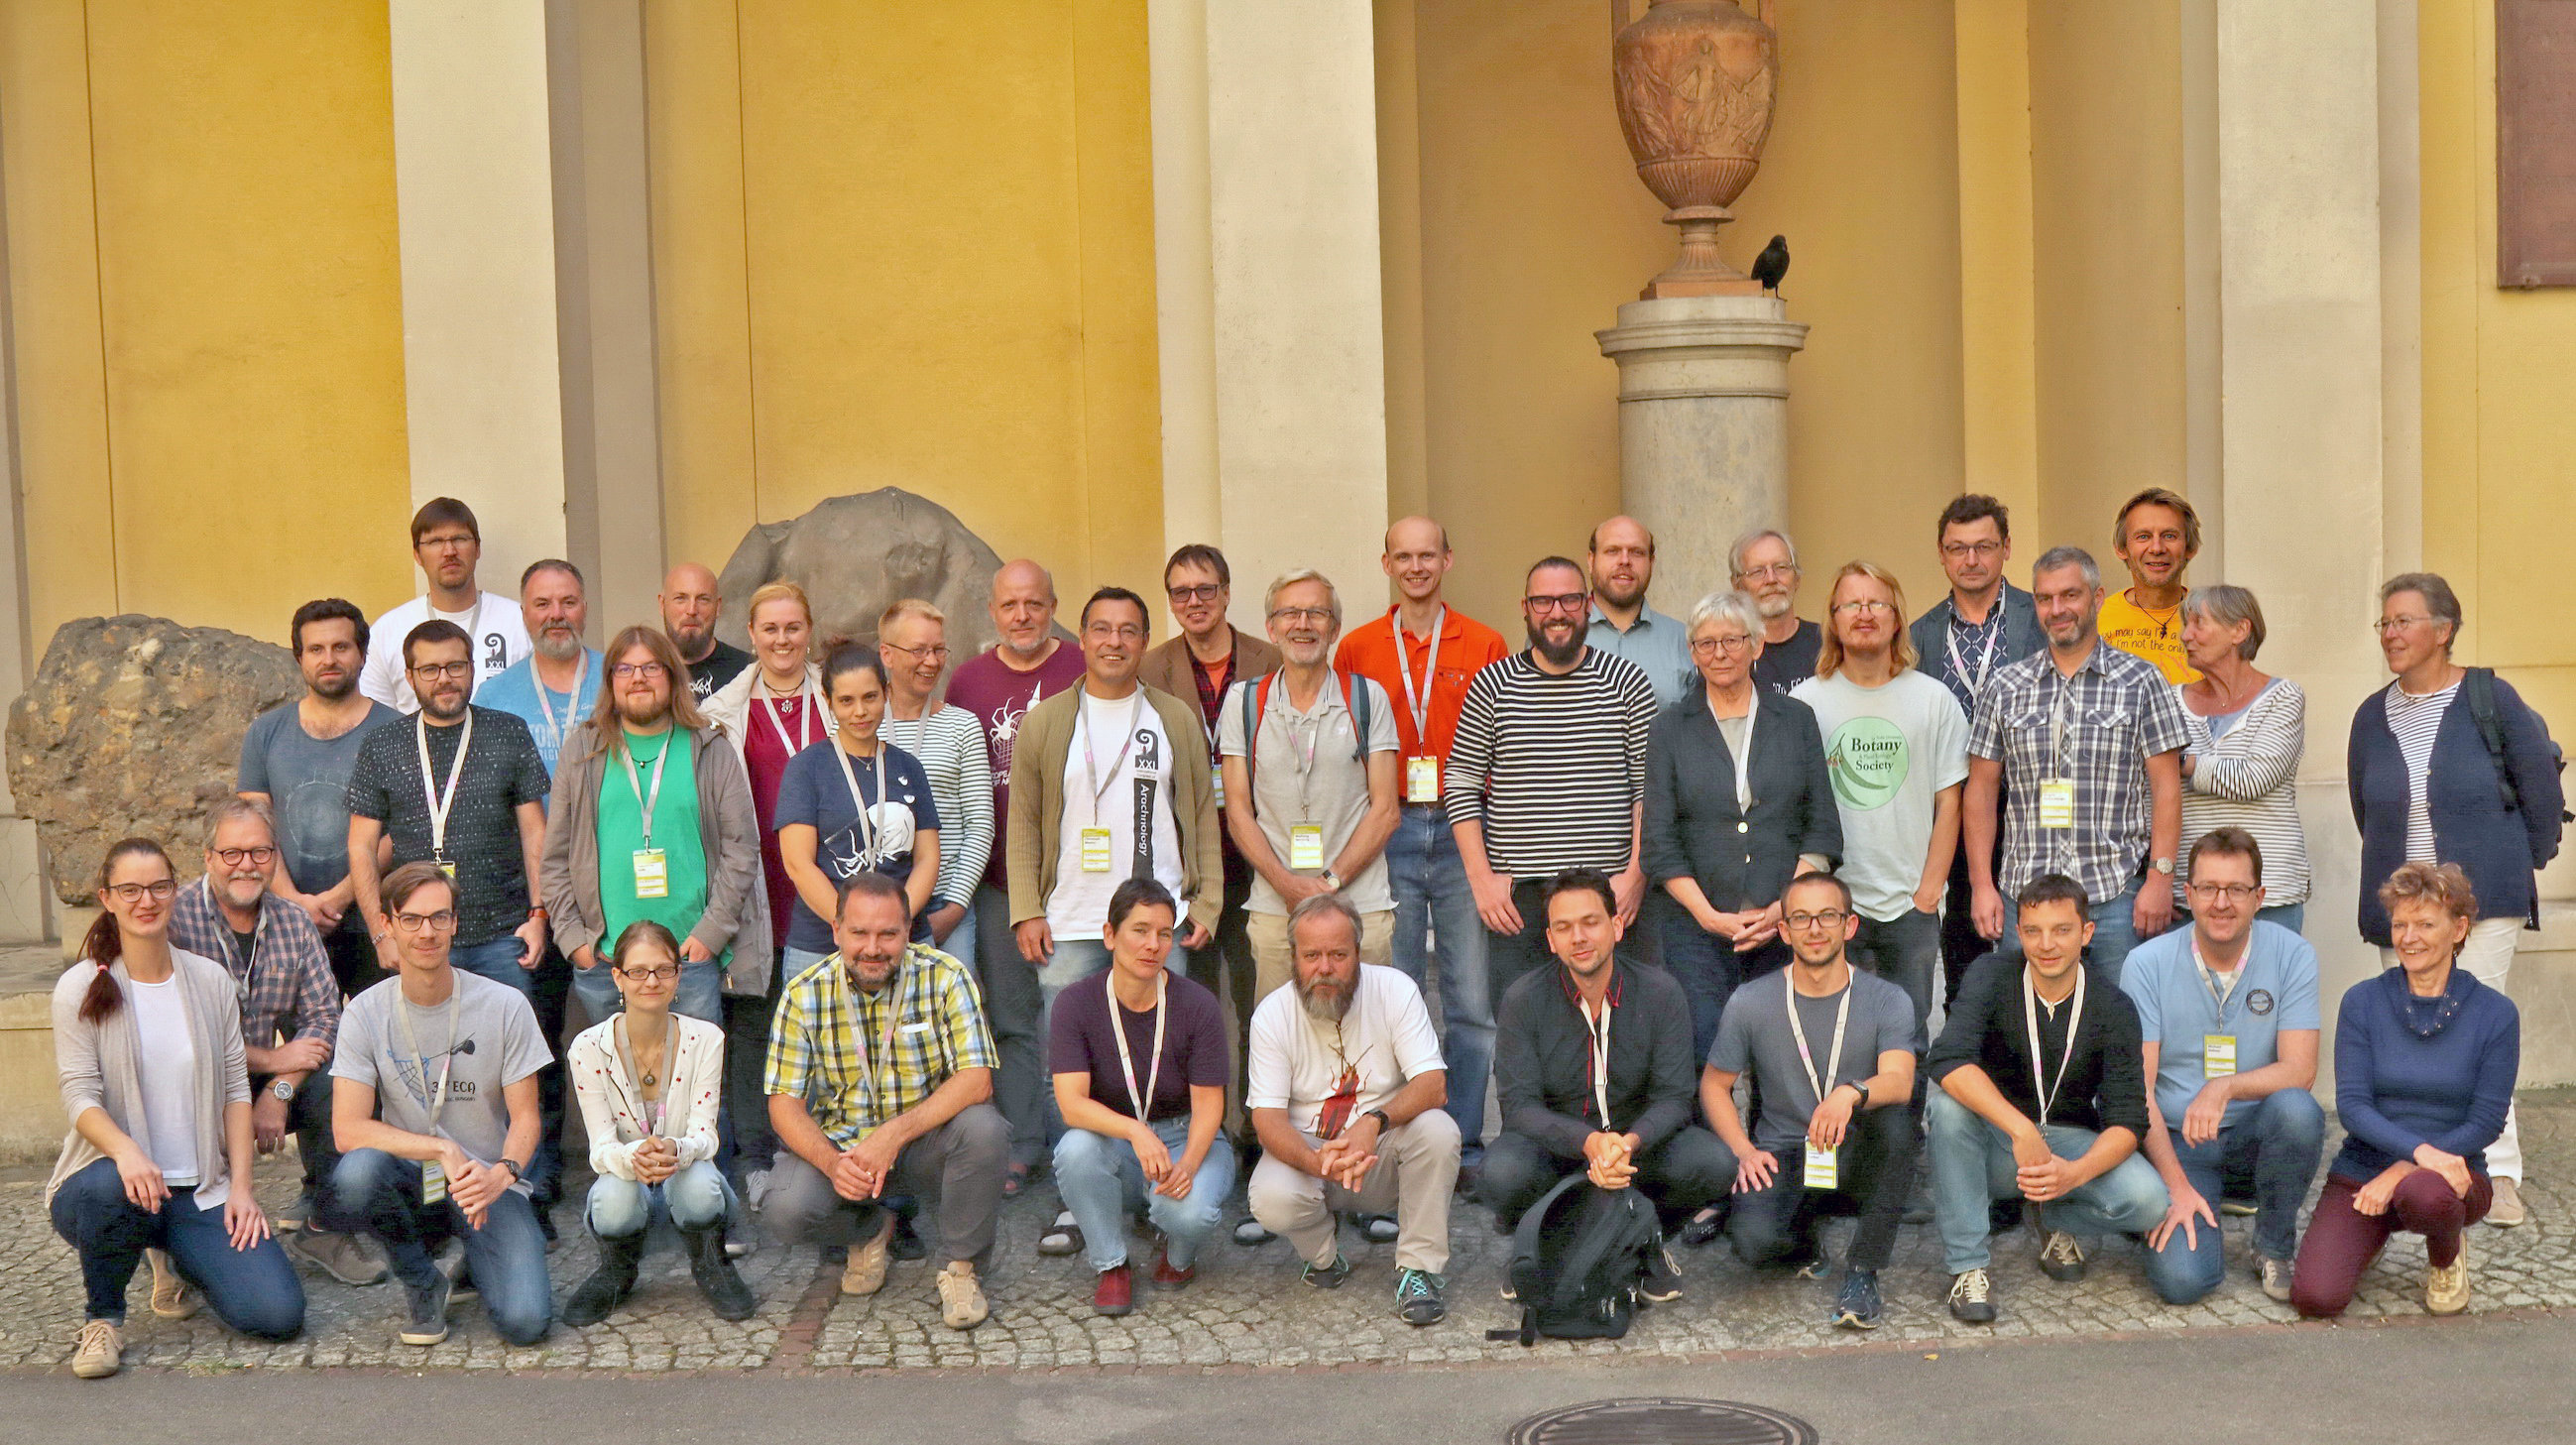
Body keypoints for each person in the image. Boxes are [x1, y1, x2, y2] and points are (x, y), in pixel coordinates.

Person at [2348, 571, 2560, 1229]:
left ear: (2443, 629)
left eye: (2404, 620)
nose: (2391, 633)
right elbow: (2366, 807)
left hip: (2482, 899)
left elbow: (2541, 795)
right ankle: (2421, 1162)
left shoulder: (2489, 696)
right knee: (2407, 1034)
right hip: (2403, 904)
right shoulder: (2370, 713)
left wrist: (2516, 863)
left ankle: (2497, 1173)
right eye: (2384, 622)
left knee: (2477, 1026)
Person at [49, 839, 304, 1380]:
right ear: (107, 898)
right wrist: (127, 1153)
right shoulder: (81, 986)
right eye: (130, 889)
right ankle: (103, 1318)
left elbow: (237, 1089)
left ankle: (176, 1252)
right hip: (109, 1187)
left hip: (195, 1189)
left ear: (175, 891)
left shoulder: (208, 981)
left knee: (277, 1314)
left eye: (159, 886)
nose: (147, 900)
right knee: (110, 1189)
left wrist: (241, 1189)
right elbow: (79, 1096)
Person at [1334, 516, 1510, 1161]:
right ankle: (1401, 1130)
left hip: (1467, 826)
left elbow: (1502, 741)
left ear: (1447, 560)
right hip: (1391, 825)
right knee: (1396, 988)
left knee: (1469, 996)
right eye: (1403, 556)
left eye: (1427, 555)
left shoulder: (1485, 642)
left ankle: (1461, 1134)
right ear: (1386, 564)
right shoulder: (1356, 648)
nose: (1416, 567)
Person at [321, 862, 553, 1348]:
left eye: (439, 918)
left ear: (454, 923)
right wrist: (441, 1150)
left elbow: (528, 1118)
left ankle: (476, 1258)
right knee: (356, 1175)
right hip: (411, 1180)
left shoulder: (506, 1004)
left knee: (526, 1324)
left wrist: (502, 1173)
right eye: (411, 919)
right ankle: (421, 1278)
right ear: (387, 924)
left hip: (486, 1183)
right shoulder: (365, 1012)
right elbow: (347, 1129)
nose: (426, 932)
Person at [762, 873, 1006, 1331]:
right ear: (836, 931)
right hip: (845, 1149)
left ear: (908, 931)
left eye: (888, 934)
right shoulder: (803, 993)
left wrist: (892, 1136)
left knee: (985, 1129)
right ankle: (870, 1231)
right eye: (859, 933)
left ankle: (961, 1268)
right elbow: (783, 1104)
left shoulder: (946, 977)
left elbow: (977, 1080)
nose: (872, 948)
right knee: (785, 1207)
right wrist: (833, 1164)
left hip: (924, 1143)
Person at [1925, 874, 2167, 1324]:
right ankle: (1968, 1266)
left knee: (2150, 1201)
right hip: (2001, 1143)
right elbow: (1948, 1058)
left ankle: (2055, 1214)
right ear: (2020, 932)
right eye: (2034, 931)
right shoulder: (1991, 974)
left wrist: (2073, 1175)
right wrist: (2018, 1128)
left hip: (2069, 1141)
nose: (2047, 944)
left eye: (2062, 930)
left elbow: (2128, 1119)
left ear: (2086, 933)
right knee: (1947, 1106)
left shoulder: (2113, 1006)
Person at [167, 800, 383, 1286]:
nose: (247, 864)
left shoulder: (292, 921)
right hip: (200, 1073)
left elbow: (326, 1017)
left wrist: (278, 1088)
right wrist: (271, 1057)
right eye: (232, 853)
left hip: (268, 1075)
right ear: (207, 856)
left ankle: (324, 1227)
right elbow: (175, 1031)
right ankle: (172, 1238)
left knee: (344, 1081)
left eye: (260, 852)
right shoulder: (175, 920)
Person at [2291, 863, 2518, 1319]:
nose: (2409, 937)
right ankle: (2369, 1236)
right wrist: (2410, 1158)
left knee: (2423, 1194)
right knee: (2316, 1298)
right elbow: (2353, 1107)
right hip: (2364, 1168)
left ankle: (2446, 1255)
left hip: (2452, 1176)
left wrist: (2404, 1168)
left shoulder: (2495, 1014)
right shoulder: (2362, 1002)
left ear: (2458, 929)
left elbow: (2486, 1122)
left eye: (2425, 924)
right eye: (2400, 924)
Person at [1962, 547, 2189, 990]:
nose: (2057, 609)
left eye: (2070, 595)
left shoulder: (2141, 681)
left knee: (2123, 1026)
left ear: (2097, 597)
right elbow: (1981, 790)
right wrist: (1981, 886)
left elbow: (2166, 788)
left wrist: (2160, 880)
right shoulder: (2004, 687)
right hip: (2022, 898)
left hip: (2113, 895)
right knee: (2022, 1034)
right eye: (2045, 599)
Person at [1699, 872, 1919, 1329]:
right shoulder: (1750, 1001)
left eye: (1827, 917)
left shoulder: (1886, 998)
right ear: (1784, 930)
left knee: (1900, 1123)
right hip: (1785, 1152)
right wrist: (1743, 1151)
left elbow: (1899, 1081)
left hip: (1856, 1147)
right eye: (1801, 918)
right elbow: (1714, 1086)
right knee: (1753, 1244)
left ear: (1849, 926)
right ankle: (1805, 1238)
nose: (1815, 929)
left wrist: (1850, 1093)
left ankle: (1862, 1271)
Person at [1482, 870, 1723, 1275]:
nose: (1578, 937)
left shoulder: (1661, 992)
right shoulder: (1523, 999)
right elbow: (1519, 1105)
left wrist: (1627, 1144)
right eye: (1564, 927)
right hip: (1559, 1150)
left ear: (1616, 926)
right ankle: (1551, 1236)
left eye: (1590, 922)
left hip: (1635, 1152)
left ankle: (1643, 1232)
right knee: (1500, 1173)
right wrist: (1589, 1142)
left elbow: (1675, 1097)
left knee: (1713, 1162)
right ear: (1551, 940)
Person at [2122, 828, 2323, 1306]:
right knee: (2184, 1282)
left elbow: (2301, 1070)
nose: (2221, 903)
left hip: (2254, 1136)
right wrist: (2174, 1186)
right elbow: (2139, 1092)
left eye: (2236, 889)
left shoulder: (2293, 954)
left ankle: (2273, 1245)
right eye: (2208, 888)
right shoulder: (2145, 964)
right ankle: (2171, 1207)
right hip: (2178, 1143)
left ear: (2260, 897)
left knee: (2298, 1111)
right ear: (2187, 894)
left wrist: (2224, 1088)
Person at [1446, 556, 1659, 1008]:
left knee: (1620, 1030)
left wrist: (1635, 876)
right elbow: (1461, 783)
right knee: (1525, 1032)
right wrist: (1481, 880)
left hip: (1609, 894)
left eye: (1569, 599)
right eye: (1543, 600)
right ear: (1525, 607)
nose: (1556, 612)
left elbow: (1650, 790)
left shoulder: (1626, 683)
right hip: (1520, 902)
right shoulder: (1492, 685)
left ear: (1589, 605)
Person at [1244, 894, 1461, 1326]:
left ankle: (1418, 1270)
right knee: (1269, 1198)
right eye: (1312, 955)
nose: (1324, 968)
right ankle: (1325, 1257)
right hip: (1311, 1156)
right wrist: (1315, 1162)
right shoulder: (1271, 1014)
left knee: (1438, 1131)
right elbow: (1266, 1119)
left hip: (1380, 1151)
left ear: (1358, 953)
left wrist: (1373, 1122)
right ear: (1293, 957)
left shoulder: (1395, 990)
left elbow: (1433, 1085)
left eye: (1338, 954)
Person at [540, 625, 770, 1027]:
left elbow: (741, 848)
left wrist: (710, 934)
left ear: (672, 676)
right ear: (610, 681)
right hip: (606, 962)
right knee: (611, 1088)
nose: (638, 679)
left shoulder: (710, 747)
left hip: (687, 960)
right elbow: (555, 855)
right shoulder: (583, 750)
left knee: (693, 1087)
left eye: (651, 667)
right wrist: (574, 939)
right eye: (625, 669)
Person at [1647, 589, 1839, 1064]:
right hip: (1697, 928)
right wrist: (1707, 915)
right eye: (1706, 643)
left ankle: (1773, 1142)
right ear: (1692, 652)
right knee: (1704, 1049)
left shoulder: (1796, 719)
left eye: (1732, 640)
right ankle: (1713, 1142)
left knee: (1783, 1052)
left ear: (1757, 645)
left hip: (1784, 922)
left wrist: (1783, 910)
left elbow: (1820, 827)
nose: (1720, 653)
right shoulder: (1669, 728)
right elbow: (1659, 841)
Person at [947, 559, 1090, 1194]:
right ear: (992, 612)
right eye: (1010, 606)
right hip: (999, 882)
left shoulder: (1084, 668)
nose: (1023, 616)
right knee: (1009, 1018)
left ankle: (1077, 1146)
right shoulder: (968, 682)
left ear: (1052, 605)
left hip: (1078, 883)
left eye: (1034, 604)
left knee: (1075, 1018)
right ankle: (1026, 1142)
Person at [1008, 586, 1220, 998]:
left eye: (1128, 631)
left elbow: (1203, 818)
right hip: (1069, 924)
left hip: (1161, 925)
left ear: (1144, 641)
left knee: (1159, 1050)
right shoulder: (1044, 723)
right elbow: (1023, 826)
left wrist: (1208, 902)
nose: (1114, 641)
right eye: (1102, 629)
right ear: (1083, 639)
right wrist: (1026, 911)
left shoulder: (1174, 718)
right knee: (1070, 1054)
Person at [1792, 561, 1966, 1037]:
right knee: (1829, 1036)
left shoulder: (1934, 700)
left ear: (1896, 617)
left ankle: (1906, 1117)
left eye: (1876, 603)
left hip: (1909, 907)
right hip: (1829, 903)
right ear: (1833, 617)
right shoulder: (1804, 704)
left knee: (1907, 1038)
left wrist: (1928, 894)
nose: (1864, 613)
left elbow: (1950, 802)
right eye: (1852, 603)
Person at [700, 581, 832, 1203]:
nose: (783, 640)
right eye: (770, 629)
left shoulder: (838, 700)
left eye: (793, 628)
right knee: (754, 1023)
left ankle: (828, 1151)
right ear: (751, 635)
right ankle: (756, 1160)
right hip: (754, 887)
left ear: (809, 631)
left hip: (828, 882)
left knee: (825, 1021)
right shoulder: (720, 714)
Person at [1047, 879, 1233, 1315]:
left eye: (1164, 933)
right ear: (1110, 935)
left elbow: (1210, 1105)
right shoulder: (1075, 1003)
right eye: (1140, 930)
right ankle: (1112, 1264)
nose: (1152, 944)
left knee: (1187, 1213)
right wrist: (1133, 1130)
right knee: (1074, 1150)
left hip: (1186, 1136)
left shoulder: (1197, 1004)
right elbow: (1071, 1104)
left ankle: (1179, 1257)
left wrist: (1186, 1165)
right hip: (1119, 1139)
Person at [562, 921, 756, 1326]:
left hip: (684, 1168)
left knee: (700, 1185)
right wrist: (637, 1156)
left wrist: (674, 1150)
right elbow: (600, 1147)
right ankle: (617, 1267)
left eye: (664, 969)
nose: (651, 981)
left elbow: (706, 1134)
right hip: (625, 1172)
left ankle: (710, 1262)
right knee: (613, 1200)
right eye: (638, 971)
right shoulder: (586, 1048)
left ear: (678, 974)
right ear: (617, 977)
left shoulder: (707, 1039)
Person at [345, 619, 551, 998]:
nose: (445, 678)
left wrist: (538, 915)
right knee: (426, 1051)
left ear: (472, 668)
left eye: (455, 666)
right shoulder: (382, 745)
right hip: (417, 936)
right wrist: (380, 932)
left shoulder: (509, 732)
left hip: (503, 937)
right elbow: (361, 846)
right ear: (409, 676)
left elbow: (535, 831)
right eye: (429, 669)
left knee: (507, 1049)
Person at [1220, 568, 1400, 1001]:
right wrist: (1288, 885)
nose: (1303, 624)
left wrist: (1329, 884)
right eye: (1290, 613)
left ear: (1335, 628)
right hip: (1273, 907)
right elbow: (1239, 811)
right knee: (1280, 1038)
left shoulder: (1367, 697)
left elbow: (1386, 810)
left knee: (1367, 1033)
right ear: (1271, 627)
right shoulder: (1243, 702)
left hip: (1361, 904)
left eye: (1316, 613)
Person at [1140, 544, 1282, 1068]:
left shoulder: (1271, 659)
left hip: (1258, 853)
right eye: (1181, 592)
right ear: (1171, 601)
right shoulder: (1152, 668)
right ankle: (1208, 1129)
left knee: (1258, 1003)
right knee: (1191, 1006)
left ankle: (1253, 1131)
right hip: (1186, 861)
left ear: (1226, 592)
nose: (1194, 601)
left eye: (1205, 589)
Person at [1910, 495, 2046, 1008]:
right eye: (1958, 549)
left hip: (2031, 803)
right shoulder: (1920, 634)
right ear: (1942, 555)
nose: (1971, 560)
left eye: (1984, 547)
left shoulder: (2040, 618)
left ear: (2006, 549)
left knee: (2035, 941)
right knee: (1965, 946)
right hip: (1953, 805)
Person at [238, 597, 399, 997]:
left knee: (382, 1048)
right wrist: (295, 902)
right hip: (286, 922)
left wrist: (339, 898)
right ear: (299, 658)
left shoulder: (397, 731)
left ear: (362, 654)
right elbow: (252, 829)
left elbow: (400, 830)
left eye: (341, 647)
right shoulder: (265, 733)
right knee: (305, 1051)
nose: (329, 659)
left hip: (375, 925)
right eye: (316, 649)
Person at [779, 644, 943, 964]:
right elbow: (798, 864)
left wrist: (892, 925)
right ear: (827, 702)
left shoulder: (908, 766)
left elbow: (928, 858)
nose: (860, 711)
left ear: (885, 693)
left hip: (904, 939)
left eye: (870, 697)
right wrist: (851, 928)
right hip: (823, 942)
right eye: (846, 701)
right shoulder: (805, 767)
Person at [2172, 585, 2308, 932]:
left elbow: (2254, 778)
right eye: (2186, 624)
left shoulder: (2283, 697)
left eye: (2198, 623)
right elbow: (2151, 796)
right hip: (2191, 894)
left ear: (2239, 630)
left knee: (2267, 988)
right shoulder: (2169, 702)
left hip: (2268, 892)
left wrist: (2181, 762)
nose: (2186, 635)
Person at [878, 599, 995, 962]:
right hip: (874, 907)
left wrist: (955, 908)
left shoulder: (963, 726)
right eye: (918, 650)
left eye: (938, 650)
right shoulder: (854, 723)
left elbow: (980, 825)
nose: (931, 662)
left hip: (945, 905)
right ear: (887, 654)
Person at [358, 497, 532, 713]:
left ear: (477, 549)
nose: (449, 551)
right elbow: (375, 719)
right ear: (417, 555)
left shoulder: (519, 621)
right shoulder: (387, 631)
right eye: (435, 541)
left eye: (459, 539)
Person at [474, 559, 604, 780]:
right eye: (542, 604)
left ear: (585, 609)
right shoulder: (493, 697)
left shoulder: (620, 679)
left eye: (569, 602)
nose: (556, 614)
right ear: (524, 614)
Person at [1585, 516, 1696, 709]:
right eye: (1613, 551)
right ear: (1591, 560)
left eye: (1637, 552)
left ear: (1651, 562)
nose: (1625, 561)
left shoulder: (1683, 640)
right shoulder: (1559, 638)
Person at [2098, 487, 2202, 685]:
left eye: (2170, 536)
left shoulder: (2214, 621)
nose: (2157, 548)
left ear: (2191, 548)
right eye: (2143, 536)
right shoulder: (2095, 621)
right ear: (2121, 549)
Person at [1730, 530, 1821, 694]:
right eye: (1757, 572)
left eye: (1781, 567)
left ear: (1797, 578)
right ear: (1737, 585)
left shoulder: (1828, 643)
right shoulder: (1728, 653)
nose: (1771, 579)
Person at [659, 562, 753, 703]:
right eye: (681, 598)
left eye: (703, 599)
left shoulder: (748, 672)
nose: (691, 610)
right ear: (662, 605)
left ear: (718, 606)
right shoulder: (642, 673)